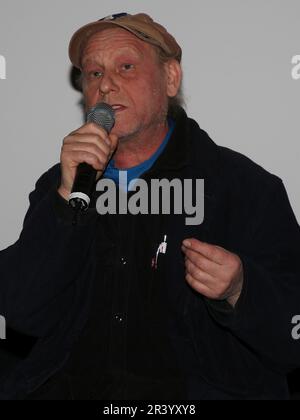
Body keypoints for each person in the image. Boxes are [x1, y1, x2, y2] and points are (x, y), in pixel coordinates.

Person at [0, 12, 299, 400]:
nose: (106, 84)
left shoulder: (243, 187)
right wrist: (63, 206)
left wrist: (241, 289)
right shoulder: (61, 185)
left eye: (126, 67)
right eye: (93, 73)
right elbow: (23, 312)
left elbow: (292, 334)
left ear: (170, 78)